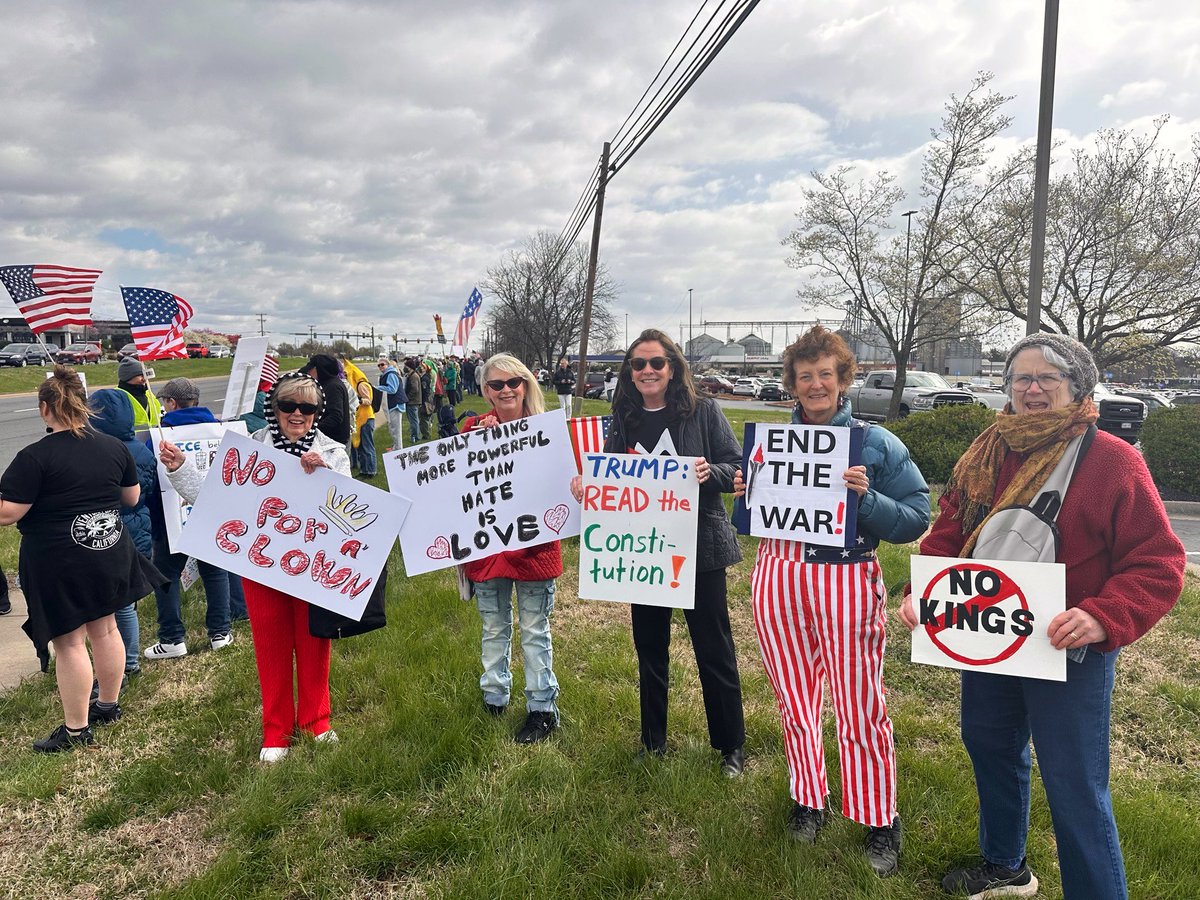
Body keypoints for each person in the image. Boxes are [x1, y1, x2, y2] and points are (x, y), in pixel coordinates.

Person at [898, 333, 1186, 900]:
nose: (1032, 390)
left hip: (1067, 646)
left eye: (1047, 379)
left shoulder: (1112, 462)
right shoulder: (987, 452)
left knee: (1074, 784)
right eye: (1021, 379)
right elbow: (950, 533)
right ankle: (1006, 868)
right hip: (989, 635)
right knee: (991, 747)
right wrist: (923, 591)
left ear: (1076, 388)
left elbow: (1159, 562)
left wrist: (1105, 617)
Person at [736, 326, 929, 877]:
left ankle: (878, 814)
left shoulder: (874, 443)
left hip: (844, 578)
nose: (816, 385)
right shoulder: (768, 445)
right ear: (792, 386)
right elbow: (752, 514)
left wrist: (866, 499)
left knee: (858, 702)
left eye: (826, 374)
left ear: (843, 379)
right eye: (805, 377)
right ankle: (808, 796)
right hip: (777, 575)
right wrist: (746, 494)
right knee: (794, 698)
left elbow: (916, 516)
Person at [572, 329, 746, 775]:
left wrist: (714, 473)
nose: (647, 371)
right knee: (649, 648)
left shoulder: (703, 411)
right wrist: (586, 484)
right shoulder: (623, 418)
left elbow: (738, 466)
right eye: (638, 364)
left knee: (714, 648)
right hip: (642, 553)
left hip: (699, 549)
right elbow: (609, 480)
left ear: (672, 367)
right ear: (629, 373)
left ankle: (730, 746)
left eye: (656, 363)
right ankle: (653, 742)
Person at [160, 372, 351, 762]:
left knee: (315, 644)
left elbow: (349, 513)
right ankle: (276, 730)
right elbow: (212, 496)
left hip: (313, 568)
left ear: (318, 413)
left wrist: (327, 477)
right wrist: (180, 467)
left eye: (307, 408)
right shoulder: (252, 449)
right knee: (271, 646)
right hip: (261, 565)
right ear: (273, 409)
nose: (298, 415)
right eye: (288, 406)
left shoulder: (333, 451)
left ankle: (317, 720)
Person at [0, 367, 163, 751]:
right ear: (83, 406)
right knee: (105, 629)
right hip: (109, 549)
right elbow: (131, 498)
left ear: (45, 409)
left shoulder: (34, 457)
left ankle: (76, 730)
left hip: (59, 558)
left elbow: (8, 513)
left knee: (69, 642)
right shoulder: (113, 447)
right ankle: (108, 705)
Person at [460, 353, 565, 743]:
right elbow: (448, 483)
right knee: (493, 626)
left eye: (513, 383)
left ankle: (542, 709)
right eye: (496, 385)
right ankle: (494, 697)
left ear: (526, 386)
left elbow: (565, 482)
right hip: (487, 551)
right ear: (485, 392)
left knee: (535, 629)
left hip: (535, 550)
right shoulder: (471, 430)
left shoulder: (547, 431)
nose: (505, 390)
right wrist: (477, 440)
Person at [142, 377, 234, 659]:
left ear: (172, 403)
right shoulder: (220, 431)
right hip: (212, 515)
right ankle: (220, 633)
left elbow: (149, 476)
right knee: (215, 572)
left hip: (172, 520)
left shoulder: (160, 437)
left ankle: (172, 639)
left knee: (166, 576)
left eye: (164, 402)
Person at [88, 388, 160, 682]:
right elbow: (148, 490)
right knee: (125, 604)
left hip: (110, 532)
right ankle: (129, 660)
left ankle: (124, 663)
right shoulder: (142, 449)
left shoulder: (100, 452)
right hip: (140, 530)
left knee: (112, 609)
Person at [303, 354, 350, 445]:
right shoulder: (327, 383)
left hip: (334, 441)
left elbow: (336, 416)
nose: (308, 372)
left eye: (311, 369)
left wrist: (313, 429)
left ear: (320, 370)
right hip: (328, 438)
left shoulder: (333, 386)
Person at [344, 358, 377, 476]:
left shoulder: (361, 384)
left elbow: (369, 400)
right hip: (361, 418)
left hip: (367, 418)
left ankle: (371, 470)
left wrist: (357, 400)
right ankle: (364, 469)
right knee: (362, 446)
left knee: (367, 446)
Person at [116, 356, 163, 428]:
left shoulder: (149, 393)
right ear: (128, 377)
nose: (144, 379)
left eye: (145, 375)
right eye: (141, 375)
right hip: (132, 439)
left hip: (155, 438)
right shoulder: (117, 397)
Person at [377, 355, 405, 451]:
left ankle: (399, 449)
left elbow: (393, 389)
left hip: (396, 404)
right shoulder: (387, 374)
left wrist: (378, 388)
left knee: (396, 430)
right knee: (392, 428)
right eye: (379, 365)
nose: (380, 367)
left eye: (382, 364)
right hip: (392, 404)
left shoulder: (391, 374)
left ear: (387, 365)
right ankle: (395, 446)